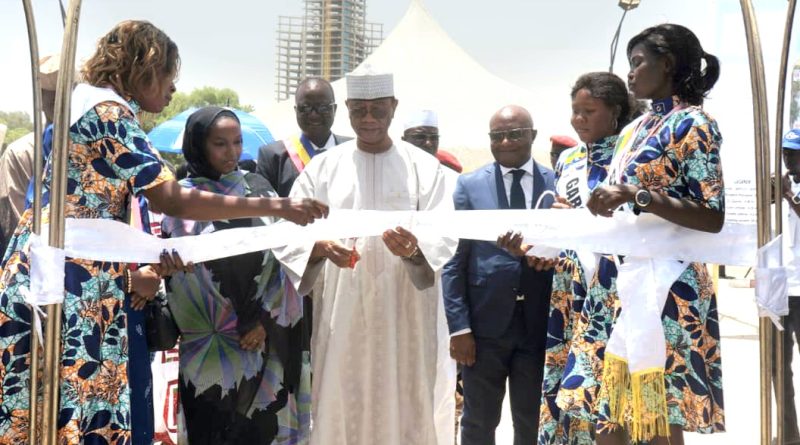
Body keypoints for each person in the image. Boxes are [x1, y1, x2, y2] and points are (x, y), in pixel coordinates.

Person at [0, 20, 326, 444]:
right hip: (72, 281)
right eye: (170, 76)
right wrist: (278, 205)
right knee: (76, 415)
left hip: (64, 273)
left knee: (58, 417)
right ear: (144, 68)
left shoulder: (84, 109)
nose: (173, 89)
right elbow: (170, 199)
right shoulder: (107, 113)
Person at [277, 67, 457, 445]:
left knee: (407, 405)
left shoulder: (423, 169)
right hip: (342, 315)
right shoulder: (323, 169)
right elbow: (289, 231)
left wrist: (413, 253)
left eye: (378, 109)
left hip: (404, 315)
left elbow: (443, 233)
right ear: (347, 109)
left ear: (394, 107)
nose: (369, 119)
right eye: (359, 110)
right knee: (341, 403)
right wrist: (321, 248)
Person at [579, 24, 724, 445]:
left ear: (668, 64)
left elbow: (711, 215)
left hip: (668, 290)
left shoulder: (694, 123)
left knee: (655, 419)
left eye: (638, 63)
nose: (630, 74)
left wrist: (636, 193)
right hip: (618, 284)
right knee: (607, 415)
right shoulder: (637, 128)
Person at [162, 107, 311, 444]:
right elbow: (174, 274)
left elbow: (285, 261)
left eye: (237, 142)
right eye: (220, 144)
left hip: (263, 342)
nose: (232, 152)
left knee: (262, 431)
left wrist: (261, 320)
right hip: (207, 349)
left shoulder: (261, 191)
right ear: (198, 146)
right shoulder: (179, 199)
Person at [534, 72, 639, 445]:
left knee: (614, 403)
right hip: (572, 294)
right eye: (575, 111)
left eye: (588, 111)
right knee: (575, 404)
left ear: (615, 112)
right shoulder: (568, 160)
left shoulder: (632, 156)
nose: (578, 119)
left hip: (617, 293)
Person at [442, 105, 555, 445]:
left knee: (533, 422)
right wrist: (459, 328)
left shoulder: (557, 183)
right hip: (483, 330)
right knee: (478, 422)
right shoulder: (469, 186)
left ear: (532, 136)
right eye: (497, 136)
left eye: (515, 133)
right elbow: (454, 261)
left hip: (541, 326)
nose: (505, 141)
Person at [0, 54, 58, 255]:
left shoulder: (92, 146)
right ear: (41, 99)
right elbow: (18, 224)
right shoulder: (20, 153)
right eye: (52, 99)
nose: (60, 105)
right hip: (33, 263)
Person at [256, 77, 351, 197]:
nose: (314, 115)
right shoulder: (272, 156)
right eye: (305, 108)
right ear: (296, 110)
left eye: (323, 107)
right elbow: (264, 210)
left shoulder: (353, 149)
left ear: (334, 109)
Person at [775, 128, 800, 445]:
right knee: (779, 370)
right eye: (785, 152)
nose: (789, 158)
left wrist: (788, 197)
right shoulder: (780, 186)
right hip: (779, 288)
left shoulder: (787, 190)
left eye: (795, 153)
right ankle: (789, 435)